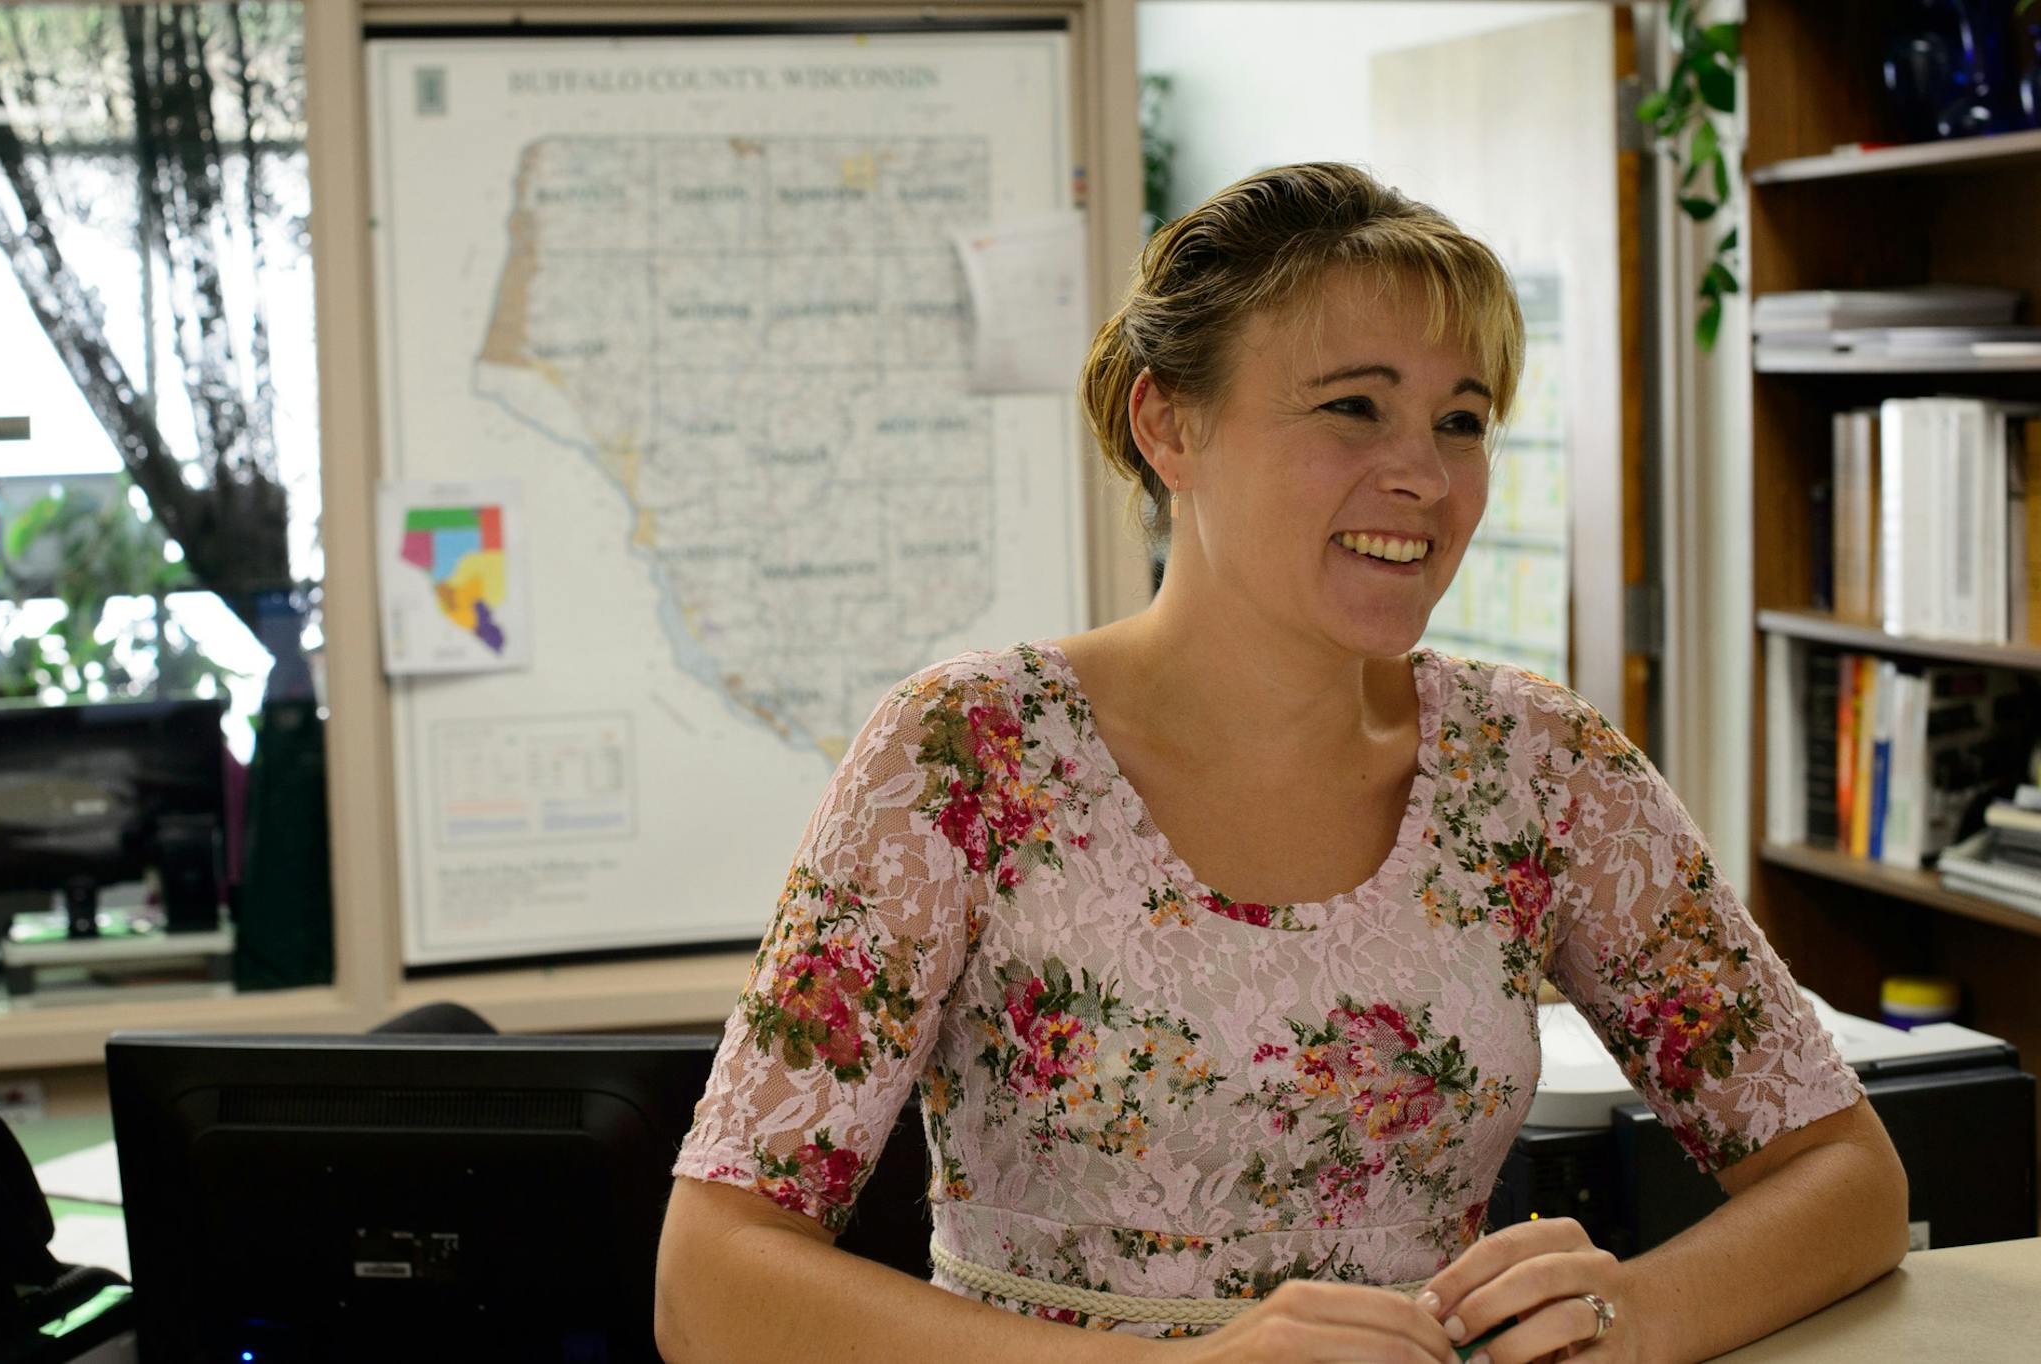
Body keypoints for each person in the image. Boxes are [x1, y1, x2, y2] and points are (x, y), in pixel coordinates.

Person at [654, 163, 1908, 1364]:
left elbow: (1845, 1175)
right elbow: (711, 1281)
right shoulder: (965, 751)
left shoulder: (1540, 763)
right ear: (1170, 422)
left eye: (1461, 420)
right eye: (1354, 405)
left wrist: (1639, 1313)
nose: (1422, 472)